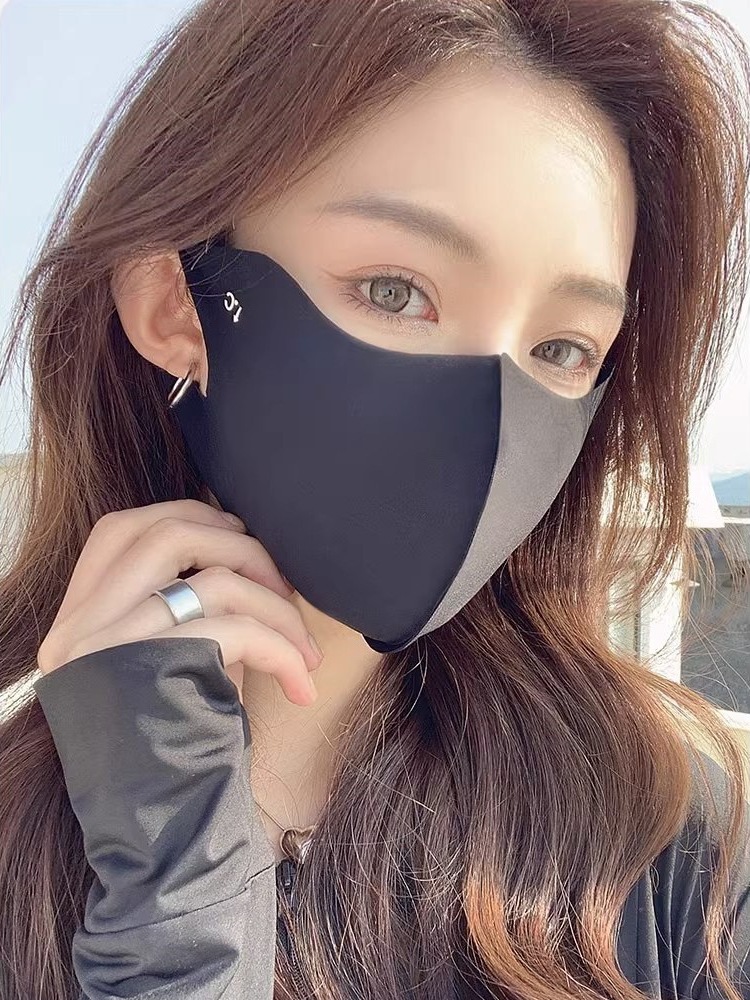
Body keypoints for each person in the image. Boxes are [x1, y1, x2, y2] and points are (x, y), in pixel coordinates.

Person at [1, 0, 750, 997]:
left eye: (562, 348)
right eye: (396, 290)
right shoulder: (19, 837)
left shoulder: (673, 842)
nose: (490, 419)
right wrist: (170, 891)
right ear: (175, 306)